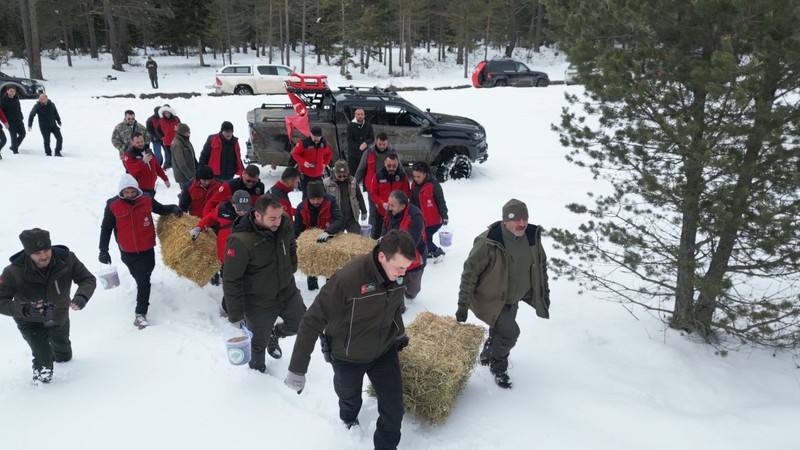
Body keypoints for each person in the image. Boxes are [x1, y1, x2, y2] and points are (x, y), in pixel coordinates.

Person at [284, 229, 416, 450]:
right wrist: (297, 369)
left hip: (384, 351)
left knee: (394, 411)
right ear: (382, 256)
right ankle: (348, 416)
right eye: (399, 267)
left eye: (406, 268)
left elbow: (394, 306)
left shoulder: (398, 274)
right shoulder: (349, 279)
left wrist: (398, 331)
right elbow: (311, 320)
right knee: (349, 398)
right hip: (348, 356)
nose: (403, 273)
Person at [456, 199, 551, 389]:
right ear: (505, 221)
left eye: (524, 218)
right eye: (516, 219)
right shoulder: (489, 241)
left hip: (514, 298)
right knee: (510, 333)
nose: (522, 224)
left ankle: (487, 353)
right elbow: (470, 273)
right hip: (490, 299)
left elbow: (540, 269)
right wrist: (462, 305)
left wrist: (543, 295)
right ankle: (498, 365)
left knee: (500, 329)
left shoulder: (532, 238)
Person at [0, 228, 96, 384]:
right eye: (37, 253)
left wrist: (82, 296)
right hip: (30, 322)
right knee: (43, 356)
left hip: (60, 315)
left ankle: (68, 369)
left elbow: (87, 279)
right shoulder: (13, 272)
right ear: (28, 253)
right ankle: (42, 388)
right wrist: (25, 309)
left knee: (64, 355)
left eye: (46, 250)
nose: (43, 256)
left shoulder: (67, 259)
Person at [223, 195, 307, 372]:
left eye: (279, 216)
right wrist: (236, 315)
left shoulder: (283, 224)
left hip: (287, 291)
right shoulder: (240, 241)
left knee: (301, 323)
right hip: (259, 302)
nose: (277, 221)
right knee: (257, 346)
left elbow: (291, 245)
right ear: (257, 216)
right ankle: (257, 374)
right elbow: (231, 280)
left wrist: (291, 266)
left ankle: (275, 334)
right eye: (272, 218)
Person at [99, 174, 183, 329]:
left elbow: (161, 209)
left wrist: (174, 208)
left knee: (144, 279)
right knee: (140, 278)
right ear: (121, 192)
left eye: (132, 192)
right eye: (126, 192)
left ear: (136, 189)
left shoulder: (146, 200)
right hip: (127, 251)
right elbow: (106, 228)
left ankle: (140, 314)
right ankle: (142, 295)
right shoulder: (113, 205)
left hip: (146, 249)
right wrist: (103, 250)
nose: (130, 195)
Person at [191, 189, 252, 290]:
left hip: (242, 253)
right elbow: (209, 218)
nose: (242, 213)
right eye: (239, 210)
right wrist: (198, 228)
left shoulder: (253, 214)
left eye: (245, 210)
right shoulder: (222, 209)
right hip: (225, 252)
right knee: (227, 278)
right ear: (233, 203)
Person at [294, 181, 345, 291]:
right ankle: (312, 290)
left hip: (328, 240)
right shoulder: (301, 208)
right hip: (311, 243)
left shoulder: (331, 202)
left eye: (319, 198)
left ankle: (330, 289)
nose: (316, 201)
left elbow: (339, 220)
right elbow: (297, 229)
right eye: (313, 199)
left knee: (330, 267)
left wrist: (328, 232)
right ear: (308, 197)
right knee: (311, 267)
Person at [382, 190, 427, 300]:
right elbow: (385, 227)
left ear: (402, 206)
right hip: (395, 256)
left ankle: (410, 293)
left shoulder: (416, 217)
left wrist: (394, 250)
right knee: (396, 285)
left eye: (392, 205)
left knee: (412, 291)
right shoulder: (391, 211)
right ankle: (398, 302)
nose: (389, 207)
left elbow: (412, 243)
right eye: (389, 204)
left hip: (414, 258)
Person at [355, 132, 400, 239]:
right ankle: (372, 235)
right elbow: (361, 169)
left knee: (388, 212)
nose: (382, 146)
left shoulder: (392, 152)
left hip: (388, 188)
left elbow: (399, 168)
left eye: (384, 144)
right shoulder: (369, 152)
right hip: (373, 188)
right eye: (380, 144)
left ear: (387, 143)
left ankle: (387, 235)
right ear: (376, 141)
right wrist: (354, 183)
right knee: (373, 212)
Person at [410, 161, 449, 263]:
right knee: (427, 237)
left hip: (433, 221)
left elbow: (441, 201)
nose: (416, 179)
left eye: (418, 176)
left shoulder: (433, 185)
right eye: (414, 176)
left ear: (425, 174)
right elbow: (413, 202)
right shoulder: (414, 185)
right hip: (421, 220)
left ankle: (438, 252)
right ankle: (428, 252)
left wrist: (444, 215)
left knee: (423, 239)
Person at [368, 152, 411, 239]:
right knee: (377, 237)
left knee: (397, 238)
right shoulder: (378, 176)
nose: (391, 168)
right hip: (382, 213)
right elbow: (373, 193)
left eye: (394, 166)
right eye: (389, 166)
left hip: (398, 215)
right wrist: (382, 203)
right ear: (384, 164)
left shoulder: (402, 176)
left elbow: (406, 194)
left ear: (398, 164)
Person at [324, 159, 367, 234]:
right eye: (339, 176)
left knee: (357, 239)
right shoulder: (327, 184)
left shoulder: (353, 181)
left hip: (352, 218)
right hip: (336, 220)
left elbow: (359, 196)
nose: (342, 178)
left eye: (344, 175)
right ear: (335, 173)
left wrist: (364, 211)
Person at [123, 132, 171, 197]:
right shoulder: (129, 155)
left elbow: (157, 167)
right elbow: (131, 170)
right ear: (132, 143)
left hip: (151, 187)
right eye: (137, 142)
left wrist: (165, 179)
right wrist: (142, 162)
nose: (140, 144)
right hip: (139, 189)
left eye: (142, 141)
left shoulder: (148, 151)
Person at [292, 126, 332, 199]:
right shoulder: (303, 143)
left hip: (318, 175)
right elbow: (295, 154)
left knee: (319, 194)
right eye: (314, 137)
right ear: (310, 134)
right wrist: (304, 162)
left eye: (318, 137)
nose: (316, 139)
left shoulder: (324, 144)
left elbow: (329, 153)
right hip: (305, 174)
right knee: (306, 196)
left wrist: (324, 164)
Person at [345, 108, 374, 176]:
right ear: (355, 115)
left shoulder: (368, 126)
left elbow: (372, 138)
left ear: (364, 116)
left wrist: (366, 143)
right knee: (353, 174)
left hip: (365, 154)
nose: (360, 116)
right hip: (353, 155)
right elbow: (349, 140)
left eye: (362, 114)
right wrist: (359, 146)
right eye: (358, 114)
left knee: (365, 174)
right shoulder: (350, 126)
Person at [0, 86, 25, 154]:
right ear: (7, 91)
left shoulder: (16, 98)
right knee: (13, 136)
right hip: (10, 122)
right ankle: (15, 151)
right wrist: (5, 122)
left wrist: (21, 116)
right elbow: (1, 113)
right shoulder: (3, 101)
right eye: (11, 91)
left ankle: (13, 146)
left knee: (23, 134)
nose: (13, 93)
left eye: (14, 91)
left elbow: (19, 108)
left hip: (19, 120)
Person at [157, 104, 180, 170]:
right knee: (169, 156)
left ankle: (177, 167)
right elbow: (158, 130)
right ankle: (166, 167)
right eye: (165, 113)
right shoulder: (161, 121)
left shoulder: (176, 119)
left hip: (176, 140)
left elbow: (180, 127)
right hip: (167, 141)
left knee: (177, 155)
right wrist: (162, 137)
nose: (167, 114)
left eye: (168, 113)